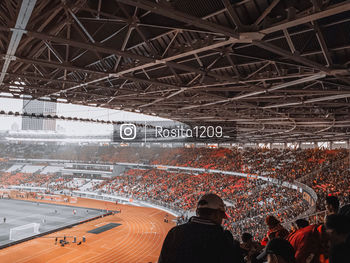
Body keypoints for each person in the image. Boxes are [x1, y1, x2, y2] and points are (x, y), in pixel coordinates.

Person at [158, 193, 243, 263]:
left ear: (197, 212)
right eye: (221, 217)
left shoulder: (175, 232)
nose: (221, 220)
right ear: (217, 215)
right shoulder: (224, 238)